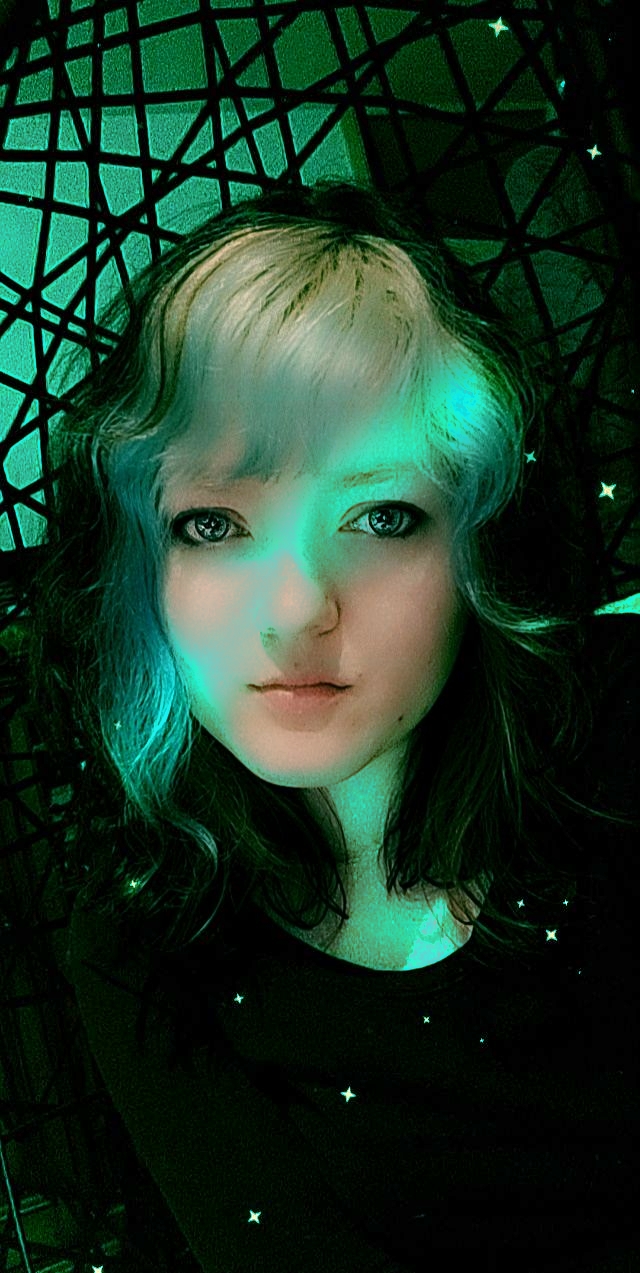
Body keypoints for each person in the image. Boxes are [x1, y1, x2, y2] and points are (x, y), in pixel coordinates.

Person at [26, 177, 638, 1271]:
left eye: (381, 515)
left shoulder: (615, 750)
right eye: (213, 523)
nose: (297, 606)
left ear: (478, 545)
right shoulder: (147, 942)